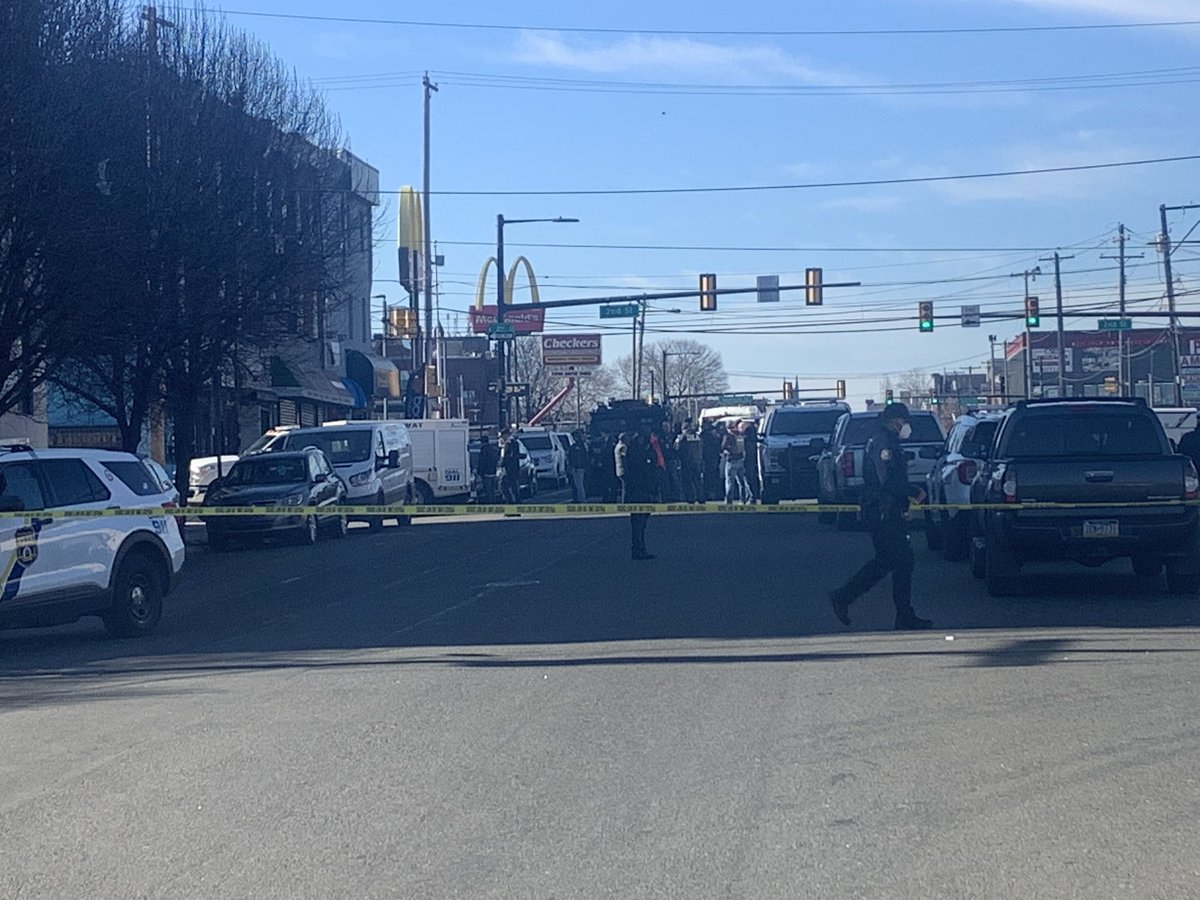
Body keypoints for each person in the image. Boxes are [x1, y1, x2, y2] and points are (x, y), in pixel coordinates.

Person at [829, 403, 933, 631]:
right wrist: (915, 492)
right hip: (882, 510)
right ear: (896, 421)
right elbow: (887, 480)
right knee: (895, 560)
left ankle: (902, 614)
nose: (907, 427)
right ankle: (844, 597)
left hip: (889, 508)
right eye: (905, 422)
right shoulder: (883, 441)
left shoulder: (888, 440)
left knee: (896, 561)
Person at [619, 430, 658, 559]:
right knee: (638, 523)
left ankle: (640, 548)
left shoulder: (635, 450)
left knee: (640, 524)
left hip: (640, 490)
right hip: (639, 491)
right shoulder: (637, 452)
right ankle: (638, 549)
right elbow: (642, 472)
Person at [721, 419, 750, 504]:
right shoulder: (740, 435)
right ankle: (743, 499)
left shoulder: (728, 436)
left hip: (731, 460)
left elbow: (723, 447)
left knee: (730, 482)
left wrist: (725, 452)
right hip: (740, 460)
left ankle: (729, 500)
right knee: (742, 482)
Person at [675, 421, 703, 503]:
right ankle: (701, 498)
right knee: (698, 481)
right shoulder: (696, 436)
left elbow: (676, 448)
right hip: (697, 461)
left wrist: (678, 439)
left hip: (687, 462)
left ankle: (691, 498)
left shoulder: (683, 437)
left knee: (688, 481)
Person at [499, 430, 522, 504]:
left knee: (503, 486)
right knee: (514, 486)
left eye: (502, 436)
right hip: (515, 469)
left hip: (508, 469)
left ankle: (510, 501)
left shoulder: (508, 444)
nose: (502, 438)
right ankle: (517, 500)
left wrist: (501, 465)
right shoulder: (515, 443)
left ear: (506, 435)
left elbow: (505, 457)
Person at [567, 430, 590, 503]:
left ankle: (582, 499)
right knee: (578, 484)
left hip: (578, 468)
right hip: (579, 467)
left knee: (579, 484)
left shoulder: (578, 446)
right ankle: (579, 498)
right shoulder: (581, 446)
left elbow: (577, 458)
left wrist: (574, 466)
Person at [742, 419, 761, 504]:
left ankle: (751, 497)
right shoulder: (754, 442)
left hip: (748, 461)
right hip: (752, 461)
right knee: (750, 478)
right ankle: (749, 497)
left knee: (748, 478)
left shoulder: (748, 443)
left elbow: (746, 453)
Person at [477, 434, 499, 503]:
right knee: (493, 491)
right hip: (493, 472)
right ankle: (493, 502)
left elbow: (482, 462)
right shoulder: (494, 450)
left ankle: (490, 503)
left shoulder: (483, 450)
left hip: (486, 474)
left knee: (488, 491)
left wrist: (479, 472)